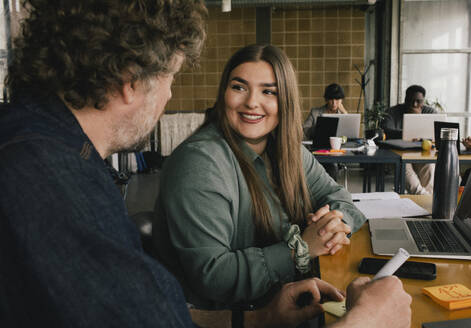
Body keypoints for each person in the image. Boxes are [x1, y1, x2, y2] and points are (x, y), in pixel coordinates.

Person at [0, 1, 411, 327]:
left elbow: (153, 314)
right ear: (130, 80)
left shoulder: (51, 153)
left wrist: (255, 319)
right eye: (172, 76)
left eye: (268, 91)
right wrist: (370, 320)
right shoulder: (53, 185)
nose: (169, 96)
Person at [152, 44, 366, 310]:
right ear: (224, 93)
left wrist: (331, 226)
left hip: (287, 300)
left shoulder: (289, 151)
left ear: (285, 99)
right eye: (239, 87)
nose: (252, 102)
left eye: (268, 91)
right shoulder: (200, 162)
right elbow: (214, 277)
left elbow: (342, 200)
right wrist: (300, 249)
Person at [382, 85, 437, 195]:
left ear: (423, 101)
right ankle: (424, 198)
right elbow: (387, 131)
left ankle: (427, 200)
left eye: (418, 101)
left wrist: (418, 118)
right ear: (405, 100)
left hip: (421, 153)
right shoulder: (392, 112)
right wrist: (411, 133)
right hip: (398, 154)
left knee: (430, 166)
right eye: (411, 101)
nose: (414, 104)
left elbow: (436, 133)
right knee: (406, 171)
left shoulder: (430, 112)